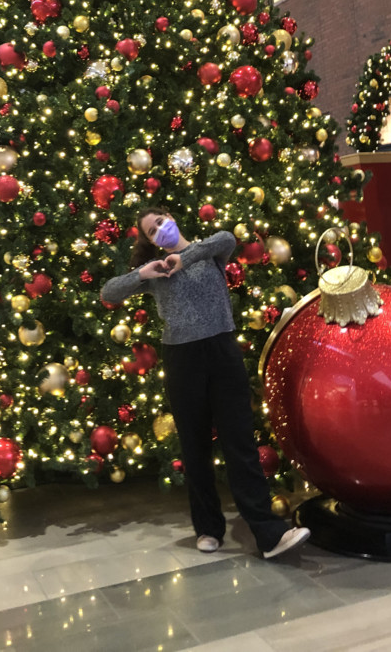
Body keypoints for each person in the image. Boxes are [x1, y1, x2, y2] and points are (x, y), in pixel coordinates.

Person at [101, 208, 310, 560]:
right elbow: (110, 291)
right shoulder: (156, 272)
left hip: (222, 351)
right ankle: (208, 528)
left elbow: (227, 238)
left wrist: (182, 257)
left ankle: (268, 533)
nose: (160, 232)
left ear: (172, 218)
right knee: (195, 445)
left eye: (161, 223)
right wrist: (143, 271)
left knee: (239, 441)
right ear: (149, 241)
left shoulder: (209, 252)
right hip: (182, 359)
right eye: (152, 232)